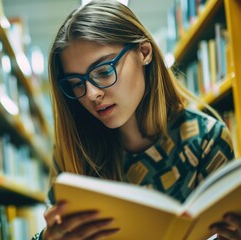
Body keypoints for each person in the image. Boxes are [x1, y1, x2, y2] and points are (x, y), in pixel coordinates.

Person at [32, 0, 239, 239]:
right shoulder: (74, 149)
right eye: (76, 84)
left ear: (144, 52)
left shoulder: (207, 139)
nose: (91, 94)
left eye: (104, 71)